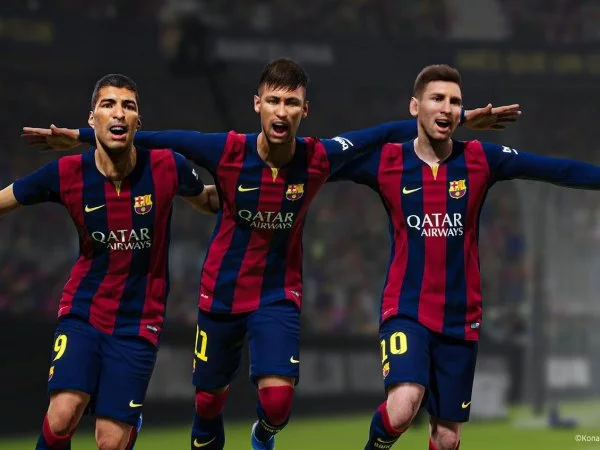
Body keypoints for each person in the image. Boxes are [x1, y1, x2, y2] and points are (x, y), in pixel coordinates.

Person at [22, 58, 520, 450]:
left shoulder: (319, 157)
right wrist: (82, 136)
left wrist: (457, 119)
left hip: (277, 295)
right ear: (257, 104)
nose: (282, 112)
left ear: (305, 111)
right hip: (220, 292)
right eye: (274, 101)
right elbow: (157, 138)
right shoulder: (225, 150)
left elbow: (388, 131)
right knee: (207, 398)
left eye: (292, 103)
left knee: (278, 403)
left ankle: (263, 434)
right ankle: (205, 433)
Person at [328, 64, 600, 450]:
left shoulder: (480, 159)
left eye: (455, 102)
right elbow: (321, 160)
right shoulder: (387, 161)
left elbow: (557, 169)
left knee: (446, 438)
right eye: (437, 99)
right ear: (414, 106)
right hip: (406, 309)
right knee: (403, 407)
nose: (447, 107)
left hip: (460, 317)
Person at [7, 73, 215, 450]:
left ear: (138, 121)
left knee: (109, 443)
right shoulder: (67, 173)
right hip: (84, 309)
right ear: (92, 119)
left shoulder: (168, 166)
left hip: (140, 321)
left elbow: (206, 201)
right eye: (108, 104)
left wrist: (253, 190)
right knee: (63, 414)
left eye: (128, 106)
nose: (119, 112)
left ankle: (129, 421)